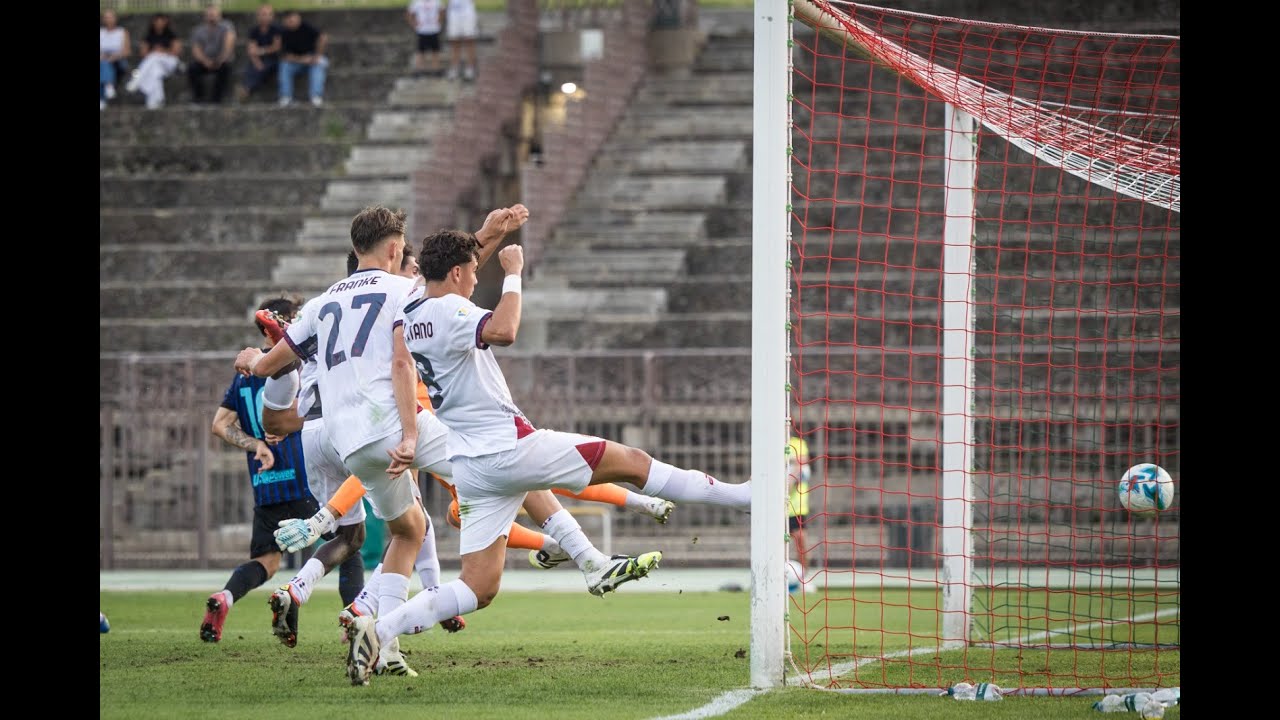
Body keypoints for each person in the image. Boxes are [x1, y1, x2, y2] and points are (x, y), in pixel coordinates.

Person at [338, 229, 753, 685]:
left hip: (471, 465)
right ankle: (741, 498)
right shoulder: (451, 309)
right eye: (475, 272)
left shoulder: (411, 309)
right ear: (456, 274)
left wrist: (487, 236)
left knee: (478, 587)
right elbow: (505, 330)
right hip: (509, 447)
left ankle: (378, 629)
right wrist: (513, 275)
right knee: (633, 462)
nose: (478, 280)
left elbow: (446, 274)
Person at [201, 297, 323, 643]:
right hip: (304, 480)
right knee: (344, 540)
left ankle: (225, 596)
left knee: (267, 561)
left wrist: (257, 446)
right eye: (296, 317)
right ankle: (356, 620)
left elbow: (220, 425)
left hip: (266, 483)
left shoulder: (244, 377)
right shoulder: (296, 367)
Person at [125, 13, 182, 110]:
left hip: (169, 62)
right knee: (156, 72)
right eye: (157, 21)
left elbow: (176, 51)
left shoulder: (171, 35)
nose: (159, 23)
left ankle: (137, 79)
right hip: (156, 65)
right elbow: (143, 53)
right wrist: (155, 51)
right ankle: (156, 100)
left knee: (154, 56)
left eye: (161, 21)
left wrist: (162, 51)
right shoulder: (149, 36)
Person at [187, 4, 237, 105]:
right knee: (192, 69)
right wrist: (205, 61)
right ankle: (198, 99)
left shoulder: (227, 26)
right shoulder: (198, 30)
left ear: (220, 15)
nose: (212, 17)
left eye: (214, 14)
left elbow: (229, 44)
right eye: (209, 14)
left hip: (222, 60)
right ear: (205, 16)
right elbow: (196, 49)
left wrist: (221, 59)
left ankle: (216, 100)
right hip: (205, 61)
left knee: (225, 68)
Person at [277, 11, 328, 107]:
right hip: (294, 62)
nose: (293, 21)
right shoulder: (283, 33)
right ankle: (286, 97)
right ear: (285, 21)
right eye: (290, 20)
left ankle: (316, 96)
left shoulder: (307, 27)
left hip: (311, 58)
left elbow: (323, 37)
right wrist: (303, 60)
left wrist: (317, 56)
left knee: (319, 65)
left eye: (295, 18)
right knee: (284, 66)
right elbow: (285, 56)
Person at [785, 431, 812, 591]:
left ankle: (803, 579)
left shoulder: (798, 443)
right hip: (776, 505)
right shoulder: (769, 443)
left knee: (800, 540)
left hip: (796, 505)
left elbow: (801, 464)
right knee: (777, 544)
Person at [240, 4, 282, 102]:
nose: (265, 17)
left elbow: (276, 47)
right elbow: (251, 49)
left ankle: (247, 90)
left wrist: (261, 51)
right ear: (258, 16)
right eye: (263, 14)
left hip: (273, 59)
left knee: (265, 67)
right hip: (258, 59)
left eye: (268, 14)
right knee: (252, 68)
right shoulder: (254, 31)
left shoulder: (276, 29)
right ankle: (246, 89)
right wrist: (257, 62)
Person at [100, 10, 131, 111]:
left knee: (105, 64)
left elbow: (127, 52)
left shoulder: (122, 32)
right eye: (106, 17)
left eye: (111, 17)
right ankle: (108, 85)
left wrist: (115, 56)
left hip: (119, 61)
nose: (109, 19)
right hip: (103, 60)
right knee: (104, 64)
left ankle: (103, 98)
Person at [406, 0, 444, 77]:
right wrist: (414, 24)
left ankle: (436, 69)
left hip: (434, 30)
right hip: (422, 31)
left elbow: (442, 11)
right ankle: (419, 70)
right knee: (420, 51)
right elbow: (409, 14)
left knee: (435, 51)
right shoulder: (416, 2)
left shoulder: (437, 1)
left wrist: (439, 21)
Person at [443, 0, 479, 82]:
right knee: (454, 42)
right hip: (453, 12)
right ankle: (454, 68)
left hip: (467, 11)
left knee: (469, 40)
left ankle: (470, 68)